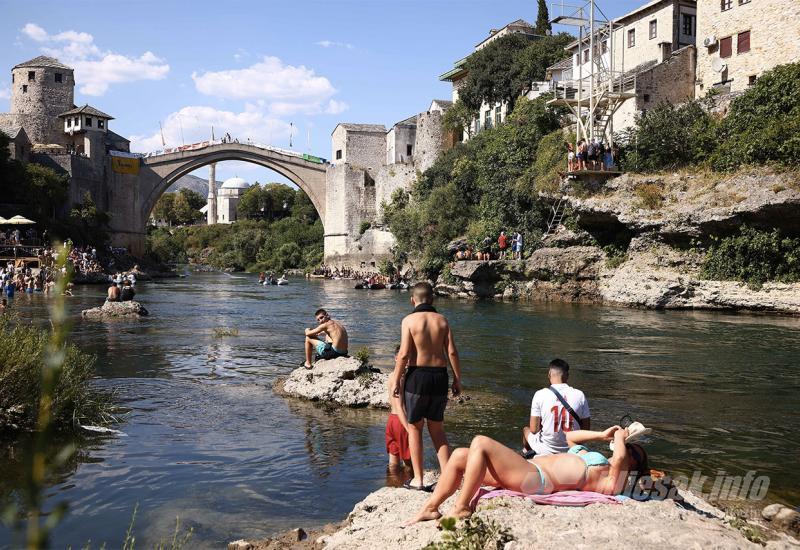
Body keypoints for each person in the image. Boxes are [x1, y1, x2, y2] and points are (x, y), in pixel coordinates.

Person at [404, 425, 648, 525]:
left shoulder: (613, 479)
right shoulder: (593, 457)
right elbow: (570, 437)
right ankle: (431, 507)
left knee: (481, 443)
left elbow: (619, 459)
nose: (625, 450)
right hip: (528, 467)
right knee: (458, 456)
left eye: (631, 451)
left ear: (633, 462)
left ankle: (461, 507)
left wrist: (621, 439)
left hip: (537, 479)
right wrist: (604, 434)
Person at [390, 282, 462, 491]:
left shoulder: (409, 320)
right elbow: (452, 353)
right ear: (432, 299)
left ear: (412, 300)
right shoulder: (442, 321)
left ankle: (418, 480)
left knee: (414, 428)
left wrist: (396, 379)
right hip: (440, 376)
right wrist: (457, 379)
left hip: (417, 376)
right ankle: (450, 480)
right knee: (437, 428)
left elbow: (403, 353)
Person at [522, 358, 590, 457]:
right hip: (572, 449)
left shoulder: (540, 394)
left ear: (549, 374)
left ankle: (527, 453)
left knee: (526, 430)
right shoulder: (580, 395)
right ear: (567, 376)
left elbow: (534, 430)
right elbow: (586, 430)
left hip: (546, 449)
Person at [386, 345, 412, 470]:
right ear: (396, 358)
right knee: (409, 460)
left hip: (391, 420)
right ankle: (408, 482)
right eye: (404, 358)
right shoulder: (400, 378)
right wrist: (409, 429)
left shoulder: (392, 376)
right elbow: (400, 406)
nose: (407, 362)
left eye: (409, 359)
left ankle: (392, 483)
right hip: (401, 421)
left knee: (393, 461)